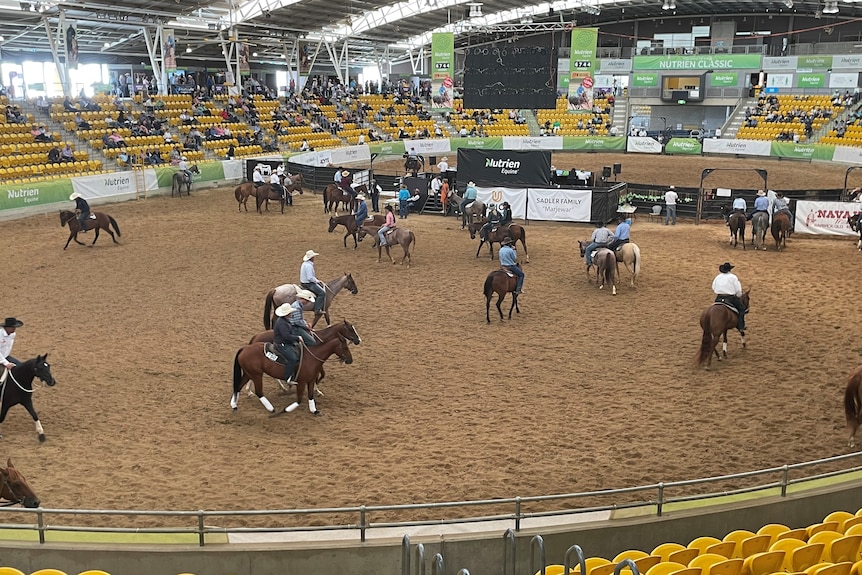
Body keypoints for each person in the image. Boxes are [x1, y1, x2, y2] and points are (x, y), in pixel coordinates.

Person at [272, 290, 317, 382]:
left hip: (284, 339)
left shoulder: (285, 320)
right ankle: (287, 377)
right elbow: (287, 335)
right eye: (290, 313)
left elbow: (298, 320)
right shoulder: (283, 323)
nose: (291, 313)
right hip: (282, 343)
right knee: (293, 359)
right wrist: (297, 337)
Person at [712, 262, 747, 332]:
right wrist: (738, 295)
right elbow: (738, 290)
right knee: (742, 309)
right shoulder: (733, 277)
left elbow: (713, 287)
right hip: (730, 298)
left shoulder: (718, 277)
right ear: (730, 270)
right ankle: (740, 326)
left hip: (719, 297)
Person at [299, 250, 326, 316]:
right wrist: (317, 281)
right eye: (313, 257)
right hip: (308, 284)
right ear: (311, 258)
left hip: (303, 282)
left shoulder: (304, 264)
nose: (314, 258)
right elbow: (310, 278)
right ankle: (317, 309)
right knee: (322, 293)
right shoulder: (309, 266)